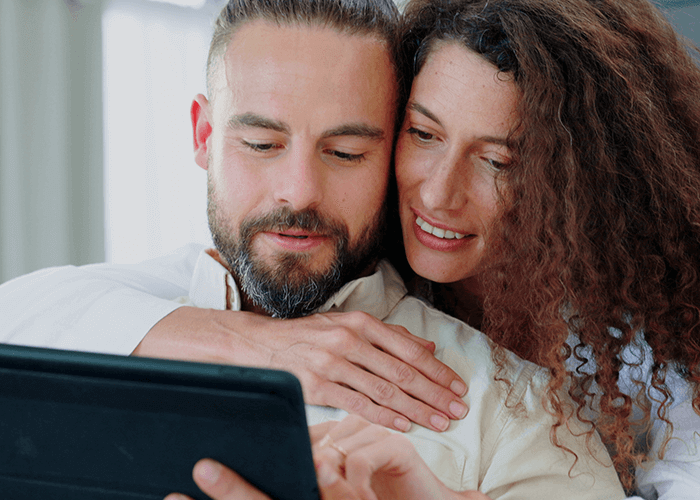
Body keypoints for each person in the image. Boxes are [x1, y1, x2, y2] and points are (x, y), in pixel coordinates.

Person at [0, 0, 625, 498]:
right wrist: (264, 347)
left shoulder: (517, 415)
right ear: (204, 136)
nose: (298, 192)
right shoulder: (96, 315)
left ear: (393, 155)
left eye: (346, 153)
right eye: (262, 144)